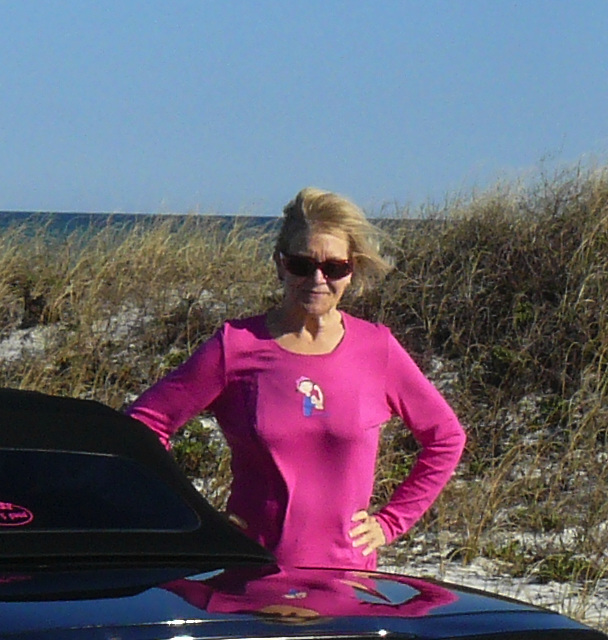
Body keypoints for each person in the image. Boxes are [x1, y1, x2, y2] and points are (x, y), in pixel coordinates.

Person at [127, 188, 465, 569]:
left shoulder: (378, 349)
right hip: (251, 575)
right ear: (280, 264)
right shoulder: (236, 346)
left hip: (346, 583)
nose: (317, 279)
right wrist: (193, 516)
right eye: (302, 265)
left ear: (352, 271)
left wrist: (390, 523)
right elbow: (143, 425)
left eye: (334, 267)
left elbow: (446, 438)